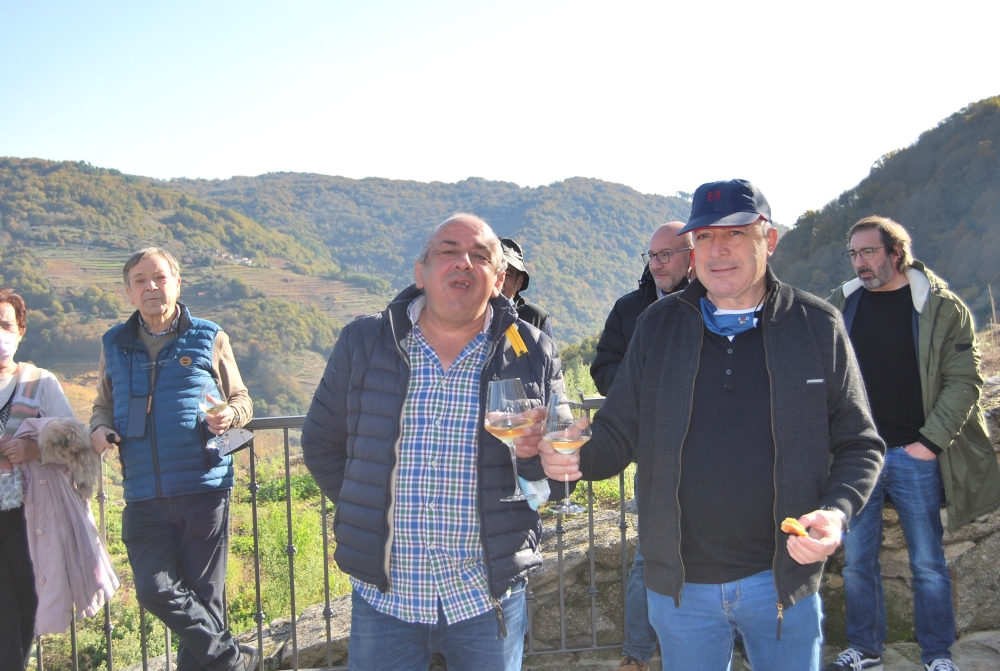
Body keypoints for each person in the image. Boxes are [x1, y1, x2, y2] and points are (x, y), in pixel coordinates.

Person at [533, 179, 885, 671]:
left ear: (769, 239)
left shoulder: (815, 325)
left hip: (782, 579)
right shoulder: (658, 326)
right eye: (704, 237)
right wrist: (573, 455)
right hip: (681, 590)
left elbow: (860, 443)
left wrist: (837, 511)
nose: (717, 250)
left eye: (735, 233)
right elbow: (617, 433)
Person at [301, 214, 563, 671]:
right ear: (420, 272)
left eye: (480, 256)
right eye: (448, 251)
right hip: (386, 600)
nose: (464, 263)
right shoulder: (365, 341)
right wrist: (368, 504)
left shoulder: (533, 353)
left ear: (499, 279)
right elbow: (321, 445)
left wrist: (533, 460)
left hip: (486, 598)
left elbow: (558, 481)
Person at [825, 217, 1000, 671]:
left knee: (927, 562)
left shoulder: (941, 307)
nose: (860, 263)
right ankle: (865, 649)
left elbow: (964, 381)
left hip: (914, 455)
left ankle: (937, 654)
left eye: (868, 252)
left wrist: (929, 444)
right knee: (856, 562)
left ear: (896, 253)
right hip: (857, 457)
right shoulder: (842, 304)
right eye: (853, 254)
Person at [89, 248, 257, 671]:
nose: (151, 287)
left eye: (160, 278)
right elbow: (102, 406)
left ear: (177, 284)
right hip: (143, 492)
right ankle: (236, 660)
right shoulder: (114, 343)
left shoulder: (208, 336)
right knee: (153, 589)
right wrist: (99, 428)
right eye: (140, 280)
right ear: (129, 292)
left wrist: (230, 416)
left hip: (204, 487)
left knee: (204, 598)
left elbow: (241, 399)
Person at [589, 221, 693, 671]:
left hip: (715, 457)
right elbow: (603, 367)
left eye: (665, 255)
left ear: (691, 255)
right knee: (649, 557)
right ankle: (636, 655)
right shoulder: (630, 309)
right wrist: (646, 388)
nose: (656, 265)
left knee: (717, 556)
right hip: (653, 454)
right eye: (652, 256)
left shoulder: (717, 304)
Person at [0, 288, 116, 671]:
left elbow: (81, 444)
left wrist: (36, 449)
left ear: (20, 332)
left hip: (32, 521)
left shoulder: (40, 383)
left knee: (25, 615)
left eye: (5, 325)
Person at [499, 237, 554, 339]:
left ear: (519, 282)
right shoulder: (470, 314)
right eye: (494, 272)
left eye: (507, 275)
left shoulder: (536, 318)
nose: (499, 281)